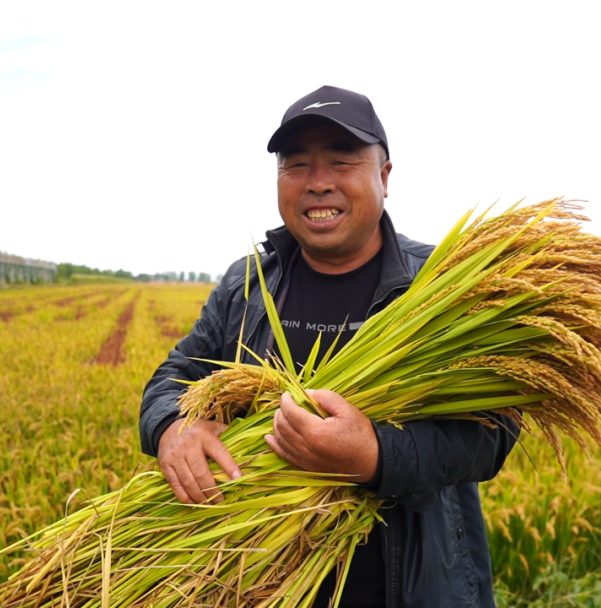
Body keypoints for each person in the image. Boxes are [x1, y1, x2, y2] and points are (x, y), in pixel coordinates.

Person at [139, 85, 520, 607]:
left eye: (341, 161)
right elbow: (179, 371)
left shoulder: (441, 286)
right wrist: (171, 426)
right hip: (253, 584)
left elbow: (493, 429)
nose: (318, 184)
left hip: (407, 589)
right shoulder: (247, 284)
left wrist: (375, 456)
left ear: (384, 178)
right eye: (296, 166)